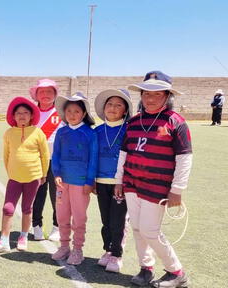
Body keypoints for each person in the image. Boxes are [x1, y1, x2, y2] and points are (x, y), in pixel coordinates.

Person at [118, 71, 192, 287]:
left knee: (150, 230)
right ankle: (145, 268)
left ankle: (176, 272)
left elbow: (184, 158)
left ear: (167, 96)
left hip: (157, 187)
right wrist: (119, 180)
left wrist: (177, 189)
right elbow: (124, 154)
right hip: (132, 184)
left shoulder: (176, 122)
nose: (150, 98)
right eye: (146, 93)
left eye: (156, 94)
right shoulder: (133, 122)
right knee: (138, 229)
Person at [0, 97, 48, 254]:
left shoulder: (37, 132)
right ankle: (4, 241)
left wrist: (44, 174)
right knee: (8, 208)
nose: (22, 115)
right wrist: (11, 172)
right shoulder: (9, 133)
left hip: (33, 177)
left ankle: (23, 236)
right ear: (13, 116)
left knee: (27, 208)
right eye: (18, 113)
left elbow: (44, 155)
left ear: (31, 115)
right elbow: (6, 156)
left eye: (26, 112)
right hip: (14, 178)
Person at [50, 92, 98, 265]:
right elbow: (55, 156)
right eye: (68, 111)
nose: (72, 115)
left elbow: (93, 160)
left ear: (84, 114)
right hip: (63, 183)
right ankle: (64, 246)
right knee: (62, 216)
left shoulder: (90, 134)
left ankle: (77, 249)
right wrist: (57, 175)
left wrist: (89, 181)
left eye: (76, 111)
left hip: (80, 183)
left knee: (79, 218)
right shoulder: (61, 132)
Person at [93, 89, 133, 273]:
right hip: (101, 181)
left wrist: (124, 180)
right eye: (110, 104)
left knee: (118, 221)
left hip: (120, 184)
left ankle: (117, 254)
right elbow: (92, 157)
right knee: (105, 220)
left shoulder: (129, 130)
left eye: (118, 105)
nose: (113, 108)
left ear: (125, 110)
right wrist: (92, 179)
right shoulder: (98, 131)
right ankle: (108, 250)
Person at [29, 79, 64, 241]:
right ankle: (36, 226)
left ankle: (57, 227)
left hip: (57, 161)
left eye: (49, 91)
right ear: (36, 94)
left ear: (55, 94)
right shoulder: (30, 113)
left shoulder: (62, 112)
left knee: (56, 195)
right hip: (36, 161)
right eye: (41, 92)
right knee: (37, 194)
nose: (45, 95)